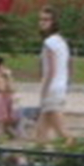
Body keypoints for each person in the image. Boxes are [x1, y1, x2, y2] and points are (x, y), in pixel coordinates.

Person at [33, 7, 71, 143]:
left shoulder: (49, 42)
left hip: (52, 90)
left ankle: (77, 156)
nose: (42, 22)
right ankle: (39, 158)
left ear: (54, 22)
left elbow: (51, 70)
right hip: (59, 88)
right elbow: (67, 66)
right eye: (41, 19)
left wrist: (43, 90)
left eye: (46, 20)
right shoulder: (62, 41)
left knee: (61, 132)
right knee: (40, 131)